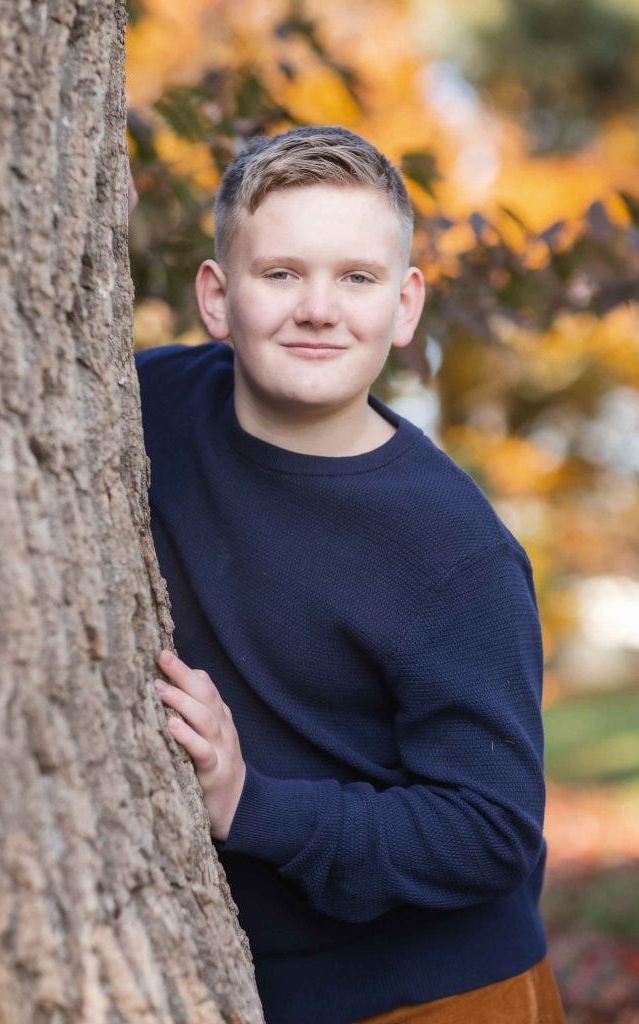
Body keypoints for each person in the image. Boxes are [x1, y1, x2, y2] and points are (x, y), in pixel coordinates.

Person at [135, 125, 565, 1024]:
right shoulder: (143, 408)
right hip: (230, 982)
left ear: (405, 305)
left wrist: (251, 802)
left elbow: (489, 830)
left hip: (439, 991)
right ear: (217, 296)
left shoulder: (454, 551)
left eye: (356, 278)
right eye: (280, 273)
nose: (318, 308)